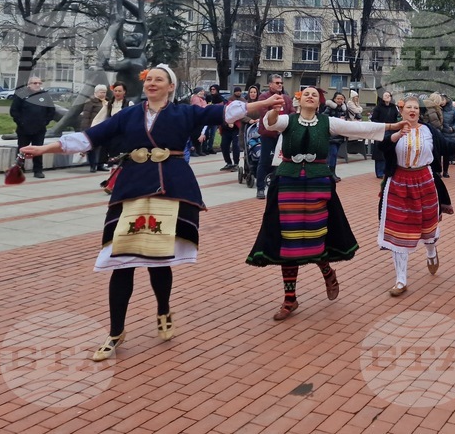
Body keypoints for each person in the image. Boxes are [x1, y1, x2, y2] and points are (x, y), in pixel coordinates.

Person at [19, 65, 285, 360]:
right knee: (121, 262)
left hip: (168, 190)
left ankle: (163, 309)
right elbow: (89, 137)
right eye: (149, 79)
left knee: (158, 260)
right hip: (131, 190)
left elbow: (224, 112)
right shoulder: (128, 115)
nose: (152, 83)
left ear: (171, 87)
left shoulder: (184, 113)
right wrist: (44, 149)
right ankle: (115, 332)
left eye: (160, 79)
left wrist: (262, 104)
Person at [248, 86, 403, 320]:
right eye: (306, 94)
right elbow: (271, 123)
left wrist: (391, 126)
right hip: (288, 182)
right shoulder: (287, 120)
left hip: (318, 184)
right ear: (299, 101)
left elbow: (358, 127)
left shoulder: (327, 122)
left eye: (314, 95)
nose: (310, 96)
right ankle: (290, 299)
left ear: (319, 103)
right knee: (288, 239)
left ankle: (328, 271)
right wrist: (272, 109)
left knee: (318, 235)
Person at [377, 96, 455, 296]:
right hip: (398, 182)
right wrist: (396, 135)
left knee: (427, 224)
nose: (412, 110)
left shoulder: (428, 130)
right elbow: (381, 149)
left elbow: (447, 147)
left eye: (416, 107)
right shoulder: (393, 130)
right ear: (402, 111)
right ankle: (401, 280)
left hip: (424, 180)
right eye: (409, 107)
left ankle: (431, 251)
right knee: (398, 228)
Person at [10, 77, 57, 179]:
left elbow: (51, 110)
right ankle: (19, 169)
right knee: (22, 150)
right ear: (29, 84)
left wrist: (45, 122)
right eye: (35, 83)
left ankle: (38, 170)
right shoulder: (21, 95)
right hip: (24, 128)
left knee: (38, 149)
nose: (37, 85)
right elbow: (14, 110)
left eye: (39, 83)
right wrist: (20, 122)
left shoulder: (45, 96)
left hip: (39, 128)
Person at [256, 74, 293, 200]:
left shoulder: (286, 98)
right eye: (277, 83)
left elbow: (292, 112)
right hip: (268, 134)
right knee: (264, 161)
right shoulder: (264, 97)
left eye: (281, 82)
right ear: (270, 84)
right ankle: (260, 188)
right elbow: (263, 113)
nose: (280, 85)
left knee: (282, 161)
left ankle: (279, 187)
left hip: (282, 135)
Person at [80, 85, 109, 172]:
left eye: (104, 92)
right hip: (93, 127)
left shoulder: (107, 102)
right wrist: (86, 129)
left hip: (104, 127)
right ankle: (93, 165)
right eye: (101, 92)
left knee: (103, 147)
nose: (103, 94)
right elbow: (86, 116)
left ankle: (101, 164)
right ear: (95, 92)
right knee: (93, 147)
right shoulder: (90, 102)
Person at [371, 91, 400, 179]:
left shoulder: (394, 107)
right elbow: (374, 119)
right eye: (385, 95)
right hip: (381, 130)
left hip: (391, 131)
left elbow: (396, 118)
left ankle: (387, 170)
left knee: (390, 150)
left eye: (389, 95)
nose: (387, 97)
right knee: (379, 152)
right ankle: (379, 172)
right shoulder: (378, 108)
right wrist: (382, 125)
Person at [324, 91, 351, 182]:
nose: (340, 100)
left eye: (342, 99)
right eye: (338, 98)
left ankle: (333, 172)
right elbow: (325, 117)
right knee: (333, 154)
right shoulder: (329, 107)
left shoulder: (344, 109)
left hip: (340, 135)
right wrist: (336, 120)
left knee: (334, 155)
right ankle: (330, 173)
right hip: (331, 135)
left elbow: (347, 118)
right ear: (334, 99)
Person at [218, 87, 244, 172]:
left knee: (235, 146)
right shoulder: (225, 104)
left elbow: (240, 114)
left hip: (235, 128)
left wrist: (233, 121)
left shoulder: (241, 101)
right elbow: (221, 116)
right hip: (226, 129)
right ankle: (228, 162)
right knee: (224, 145)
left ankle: (236, 163)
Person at [440, 96, 455, 177]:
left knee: (446, 153)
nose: (441, 101)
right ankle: (438, 171)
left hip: (449, 133)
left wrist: (453, 128)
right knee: (437, 154)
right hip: (439, 132)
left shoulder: (453, 109)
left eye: (443, 99)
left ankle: (445, 171)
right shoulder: (437, 108)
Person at [188, 88, 207, 156]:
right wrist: (206, 107)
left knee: (200, 133)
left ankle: (199, 150)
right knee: (195, 134)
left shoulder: (202, 98)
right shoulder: (195, 98)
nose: (203, 92)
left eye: (203, 91)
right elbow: (198, 107)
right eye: (201, 91)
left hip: (201, 117)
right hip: (196, 118)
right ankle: (193, 150)